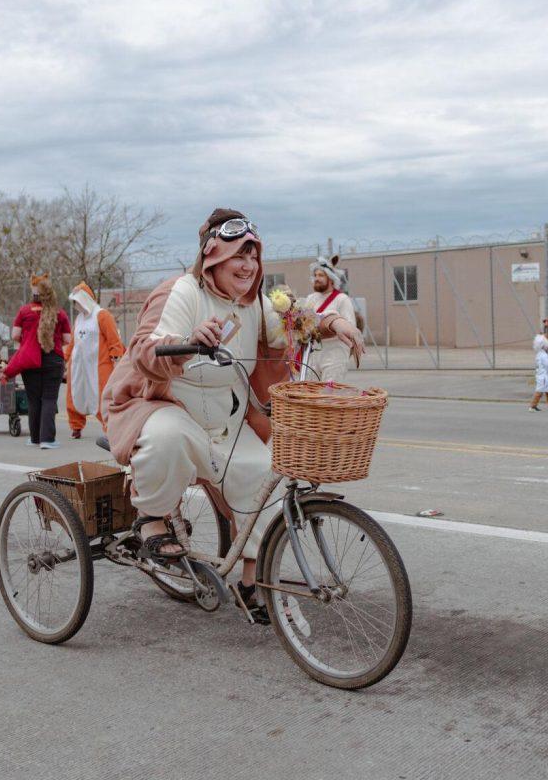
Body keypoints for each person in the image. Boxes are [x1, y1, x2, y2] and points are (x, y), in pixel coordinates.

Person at [104, 208, 357, 624]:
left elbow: (293, 322)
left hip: (227, 423)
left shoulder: (255, 304)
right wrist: (187, 342)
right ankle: (151, 517)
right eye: (239, 254)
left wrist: (333, 323)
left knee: (264, 479)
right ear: (212, 257)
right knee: (166, 437)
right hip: (169, 408)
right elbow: (146, 348)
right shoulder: (183, 291)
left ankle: (251, 584)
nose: (248, 265)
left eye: (254, 255)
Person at [10, 274, 71, 449]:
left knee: (33, 399)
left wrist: (28, 339)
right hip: (53, 360)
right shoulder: (60, 313)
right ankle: (47, 439)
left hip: (30, 361)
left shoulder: (24, 311)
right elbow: (68, 338)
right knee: (49, 399)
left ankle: (34, 438)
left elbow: (15, 335)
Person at [65, 282, 125, 438]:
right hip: (78, 365)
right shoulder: (78, 319)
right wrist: (65, 358)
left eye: (78, 301)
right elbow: (73, 342)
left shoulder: (102, 315)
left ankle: (108, 427)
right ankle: (76, 426)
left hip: (99, 364)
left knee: (102, 396)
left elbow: (113, 338)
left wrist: (116, 354)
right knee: (75, 394)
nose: (76, 305)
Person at [303, 255, 364, 383]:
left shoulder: (342, 299)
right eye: (315, 275)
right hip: (313, 353)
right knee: (310, 396)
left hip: (334, 354)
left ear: (331, 279)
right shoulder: (311, 299)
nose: (317, 278)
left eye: (321, 275)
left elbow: (349, 327)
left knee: (328, 397)